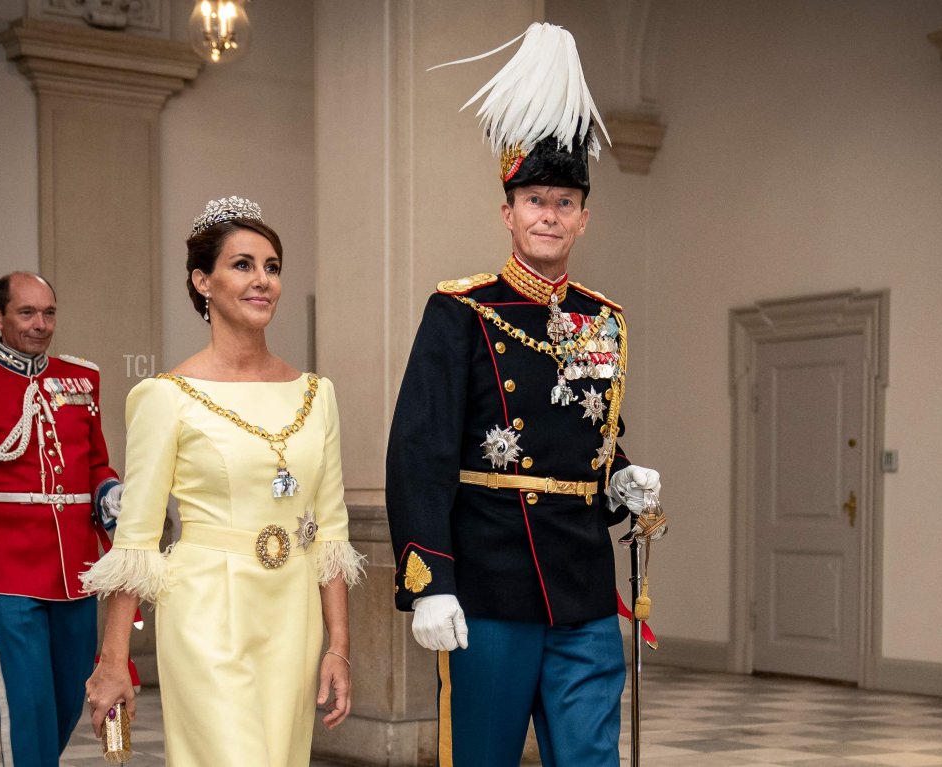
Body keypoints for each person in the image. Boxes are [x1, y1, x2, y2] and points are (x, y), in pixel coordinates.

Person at [385, 23, 667, 767]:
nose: (550, 213)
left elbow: (588, 435)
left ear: (584, 217)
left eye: (565, 201)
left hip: (582, 587)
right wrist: (428, 580)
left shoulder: (603, 320)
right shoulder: (461, 311)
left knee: (590, 757)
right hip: (490, 585)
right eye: (535, 199)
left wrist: (620, 479)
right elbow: (420, 452)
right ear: (507, 211)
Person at [82, 197, 365, 766]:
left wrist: (339, 646)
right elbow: (136, 540)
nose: (263, 280)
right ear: (202, 281)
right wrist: (113, 660)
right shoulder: (165, 396)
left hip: (292, 615)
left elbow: (331, 532)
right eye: (242, 265)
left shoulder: (317, 394)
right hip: (205, 608)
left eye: (272, 267)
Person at [0, 271, 123, 766]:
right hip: (6, 571)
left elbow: (95, 463)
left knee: (71, 694)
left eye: (49, 313)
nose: (40, 324)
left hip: (76, 570)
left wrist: (110, 492)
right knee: (28, 702)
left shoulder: (82, 379)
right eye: (27, 313)